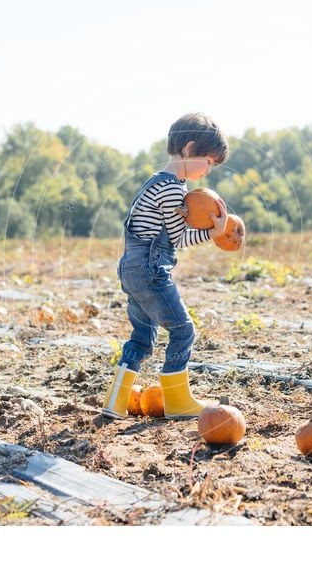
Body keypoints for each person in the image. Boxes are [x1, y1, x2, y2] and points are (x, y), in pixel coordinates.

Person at [102, 113, 229, 420]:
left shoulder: (154, 181)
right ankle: (177, 402)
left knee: (142, 339)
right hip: (150, 271)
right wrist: (214, 231)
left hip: (131, 268)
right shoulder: (173, 188)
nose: (208, 170)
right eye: (208, 162)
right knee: (183, 331)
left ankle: (115, 401)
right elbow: (178, 238)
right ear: (188, 149)